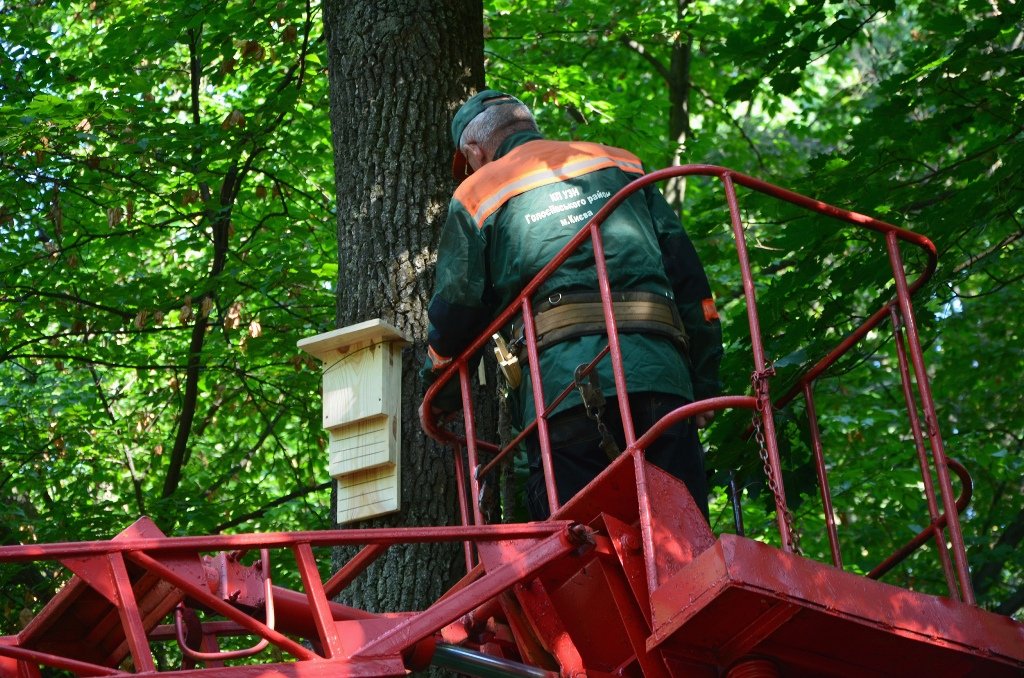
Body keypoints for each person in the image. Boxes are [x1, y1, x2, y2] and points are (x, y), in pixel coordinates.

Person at [421, 90, 723, 521]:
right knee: (684, 543)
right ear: (527, 124)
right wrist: (705, 387)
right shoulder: (618, 163)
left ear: (474, 149)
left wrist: (437, 391)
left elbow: (457, 312)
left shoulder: (478, 192)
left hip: (562, 393)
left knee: (581, 558)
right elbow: (692, 284)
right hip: (661, 378)